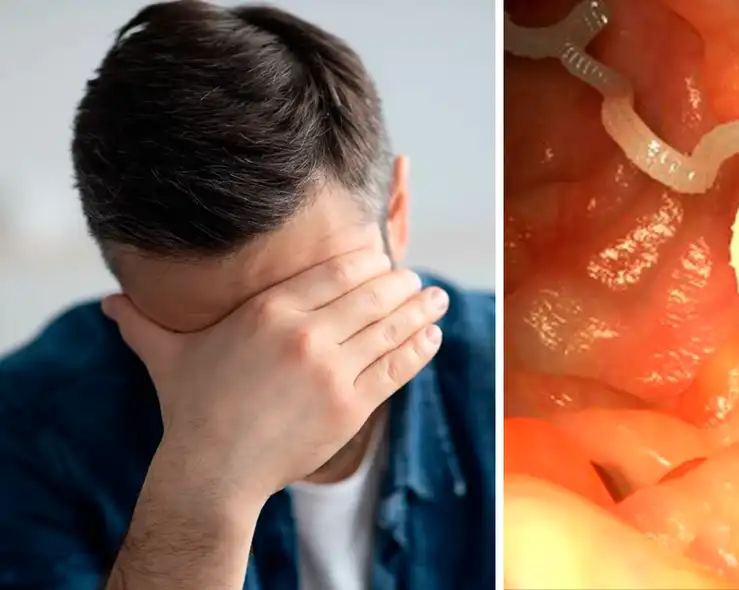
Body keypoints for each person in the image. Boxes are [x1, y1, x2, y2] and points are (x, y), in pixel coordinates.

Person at [0, 2, 495, 589]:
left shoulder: (514, 383)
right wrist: (202, 495)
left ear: (398, 212)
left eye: (318, 304)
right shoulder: (28, 429)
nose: (291, 359)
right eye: (215, 338)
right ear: (121, 292)